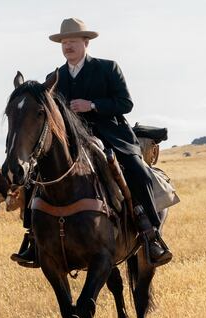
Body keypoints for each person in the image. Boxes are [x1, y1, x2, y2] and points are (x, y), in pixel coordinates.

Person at [11, 18, 172, 268]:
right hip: (71, 141)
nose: (68, 46)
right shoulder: (55, 78)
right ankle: (31, 239)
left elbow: (125, 104)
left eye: (73, 41)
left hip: (111, 135)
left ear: (86, 42)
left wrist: (92, 105)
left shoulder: (108, 68)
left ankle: (151, 234)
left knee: (138, 171)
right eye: (64, 42)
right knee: (36, 177)